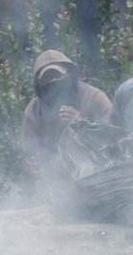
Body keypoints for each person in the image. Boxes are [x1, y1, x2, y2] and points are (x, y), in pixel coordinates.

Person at [21, 49, 112, 180]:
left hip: (96, 178)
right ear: (39, 85)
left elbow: (114, 141)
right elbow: (27, 154)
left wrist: (83, 125)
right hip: (53, 186)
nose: (53, 85)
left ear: (70, 75)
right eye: (47, 80)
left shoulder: (95, 99)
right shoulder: (33, 111)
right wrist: (29, 166)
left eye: (57, 76)